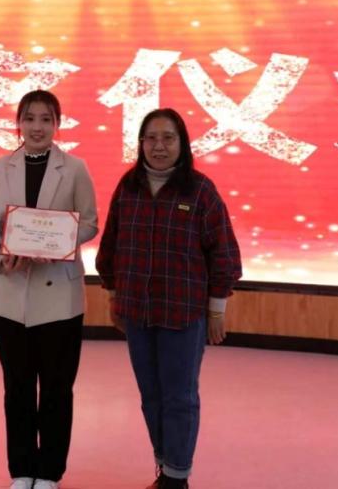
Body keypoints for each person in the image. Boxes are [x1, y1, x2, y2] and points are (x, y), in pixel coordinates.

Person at [95, 108, 242, 489]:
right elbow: (111, 246)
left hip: (183, 313)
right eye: (151, 138)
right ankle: (164, 468)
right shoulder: (128, 187)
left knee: (180, 397)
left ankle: (178, 478)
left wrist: (216, 310)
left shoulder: (200, 190)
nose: (158, 146)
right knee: (151, 397)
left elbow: (224, 254)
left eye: (168, 138)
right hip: (136, 312)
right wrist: (114, 296)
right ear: (141, 143)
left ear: (182, 143)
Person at [0, 89, 99, 489]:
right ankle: (22, 469)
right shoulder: (0, 168)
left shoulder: (75, 168)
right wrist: (2, 257)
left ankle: (49, 472)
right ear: (18, 124)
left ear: (57, 125)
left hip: (59, 296)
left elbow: (90, 223)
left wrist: (57, 245)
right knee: (17, 387)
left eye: (46, 119)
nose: (37, 127)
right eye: (30, 118)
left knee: (57, 389)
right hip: (10, 293)